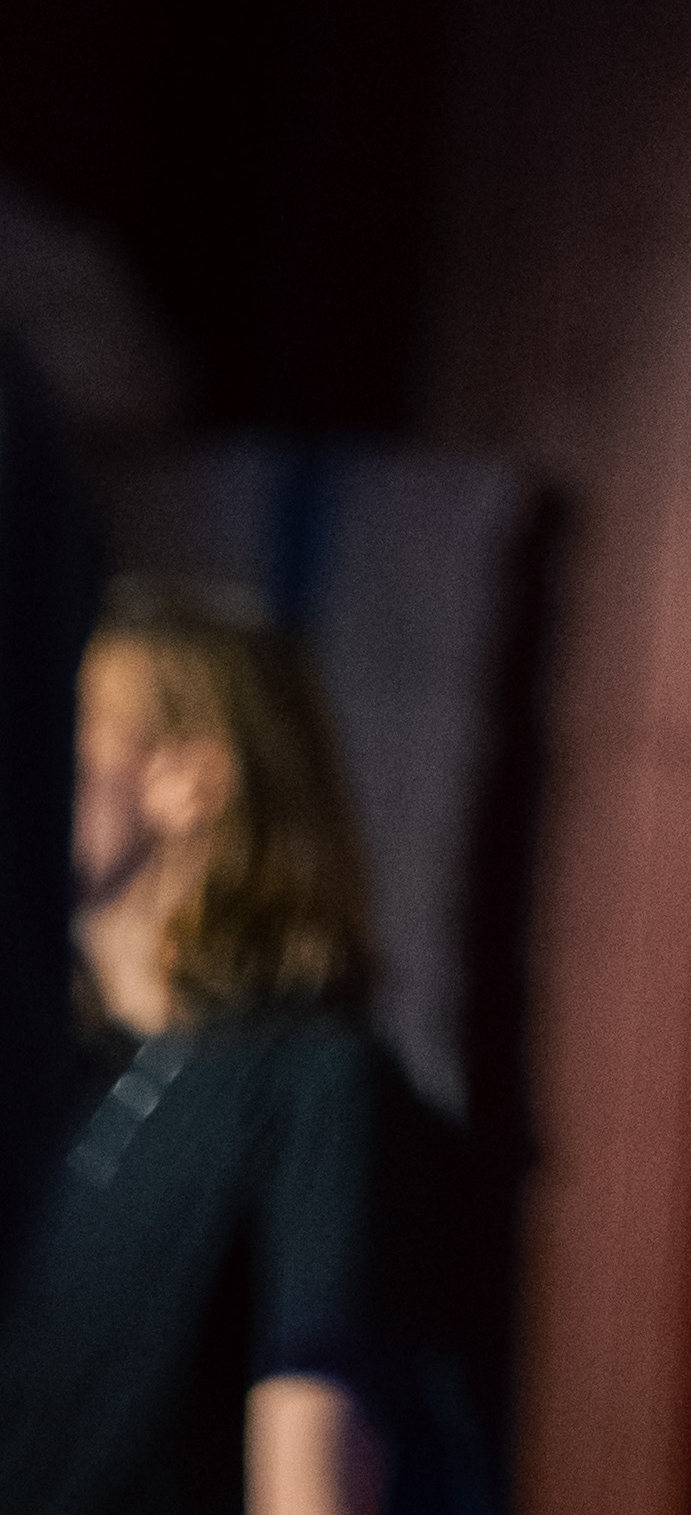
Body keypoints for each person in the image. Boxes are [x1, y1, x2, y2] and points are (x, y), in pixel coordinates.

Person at [0, 592, 467, 1515]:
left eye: (67, 727)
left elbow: (310, 1480)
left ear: (188, 782)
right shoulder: (73, 1072)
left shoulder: (318, 1084)